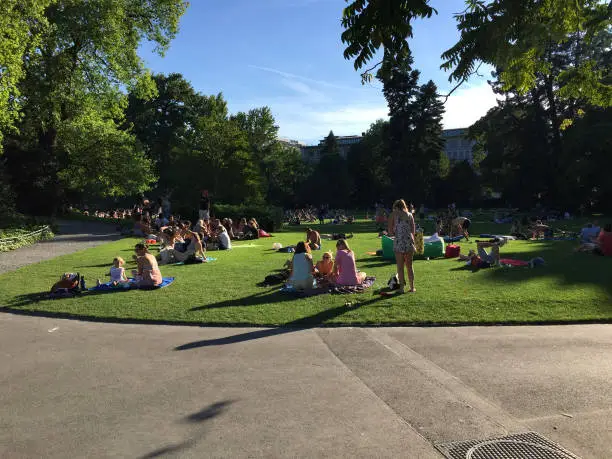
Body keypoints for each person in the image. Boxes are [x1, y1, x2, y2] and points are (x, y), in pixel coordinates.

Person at [387, 199, 416, 293]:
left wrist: (396, 232)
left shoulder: (393, 215)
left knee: (400, 267)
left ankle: (401, 288)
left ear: (396, 207)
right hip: (409, 242)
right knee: (410, 266)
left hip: (399, 242)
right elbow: (413, 232)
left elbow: (390, 232)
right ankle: (412, 288)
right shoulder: (410, 215)